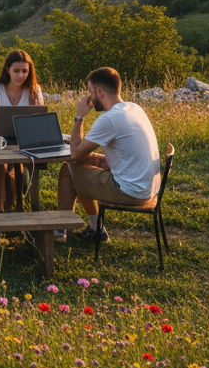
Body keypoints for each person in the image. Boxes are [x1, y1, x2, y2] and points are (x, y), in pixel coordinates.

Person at [56, 66, 161, 244]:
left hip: (130, 191)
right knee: (85, 162)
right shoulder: (134, 108)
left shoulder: (109, 119)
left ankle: (62, 231)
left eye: (90, 91)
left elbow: (75, 154)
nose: (90, 97)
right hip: (148, 186)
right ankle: (95, 229)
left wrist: (79, 116)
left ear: (99, 92)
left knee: (69, 170)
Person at [0, 49, 44, 212]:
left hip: (26, 139)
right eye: (16, 71)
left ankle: (20, 203)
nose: (20, 75)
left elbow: (40, 120)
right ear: (7, 70)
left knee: (18, 164)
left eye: (25, 71)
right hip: (1, 138)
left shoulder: (34, 89)